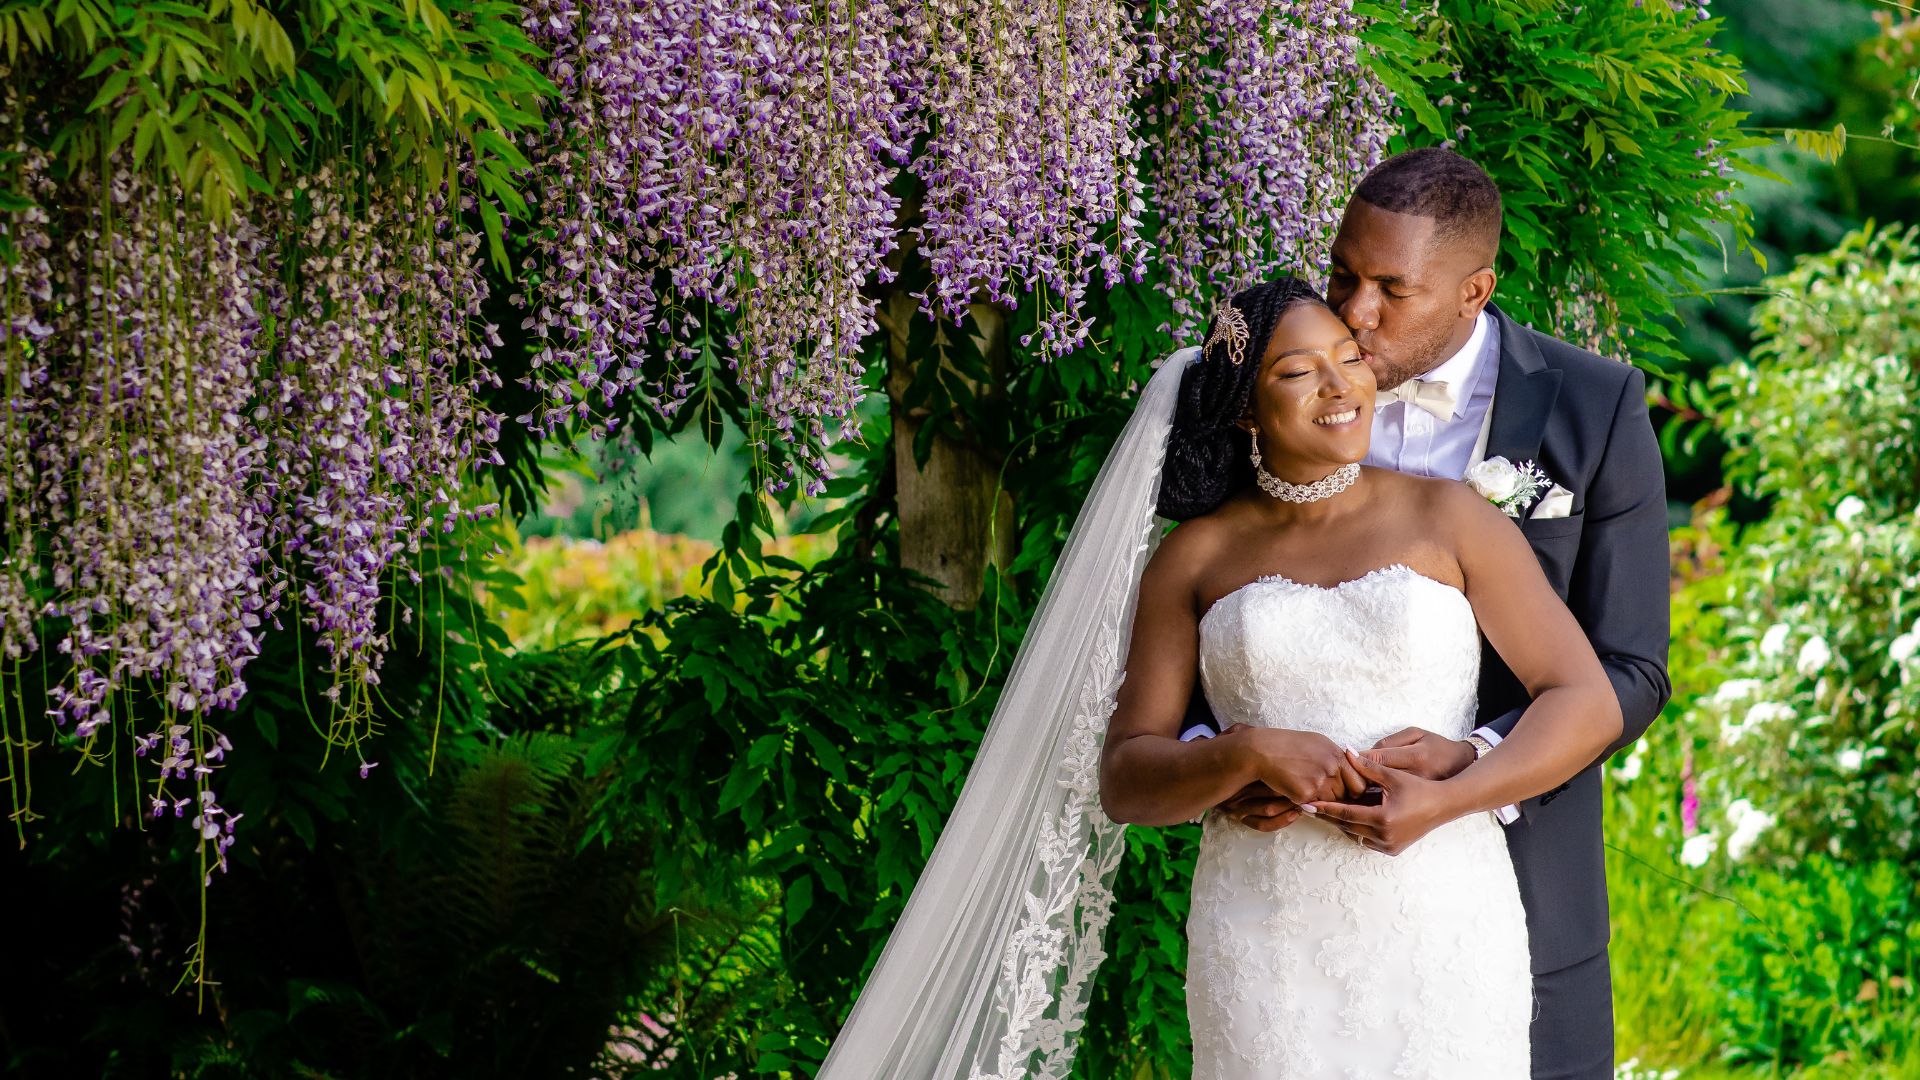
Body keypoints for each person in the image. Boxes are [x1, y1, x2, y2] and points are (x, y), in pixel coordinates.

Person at [1179, 148, 1674, 1080]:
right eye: (1342, 275)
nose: (1355, 315)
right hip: (1285, 890)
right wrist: (1222, 751)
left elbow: (1631, 673)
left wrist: (1475, 759)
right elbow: (1221, 603)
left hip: (1505, 880)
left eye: (1390, 290)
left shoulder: (1595, 407)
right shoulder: (1276, 393)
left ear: (1473, 290)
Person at [1098, 275, 1621, 1078]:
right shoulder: (1194, 557)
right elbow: (1128, 777)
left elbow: (1586, 703)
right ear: (1245, 409)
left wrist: (1454, 791)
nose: (1341, 385)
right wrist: (1240, 755)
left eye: (1349, 358)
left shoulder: (1450, 518)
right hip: (1264, 931)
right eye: (1298, 371)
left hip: (1443, 918)